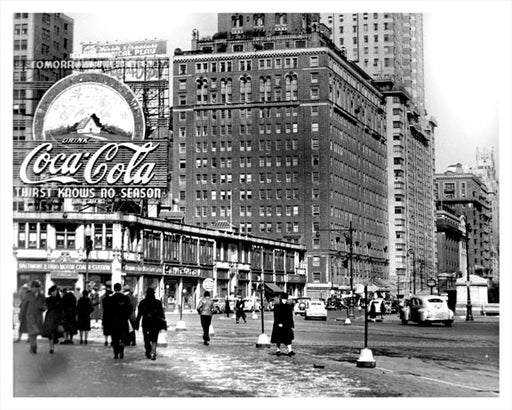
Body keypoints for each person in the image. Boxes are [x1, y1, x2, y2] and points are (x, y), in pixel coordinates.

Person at [135, 287, 166, 360]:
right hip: (155, 323)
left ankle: (149, 350)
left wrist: (137, 324)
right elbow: (161, 314)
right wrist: (163, 322)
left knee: (147, 339)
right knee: (154, 339)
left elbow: (139, 314)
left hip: (146, 323)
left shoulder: (142, 303)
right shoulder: (157, 303)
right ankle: (153, 352)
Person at [19, 280, 46, 354]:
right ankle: (34, 345)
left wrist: (43, 308)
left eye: (34, 287)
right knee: (32, 332)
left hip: (38, 317)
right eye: (32, 287)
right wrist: (21, 315)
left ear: (37, 288)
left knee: (35, 332)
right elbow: (24, 306)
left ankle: (32, 346)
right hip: (30, 316)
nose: (32, 289)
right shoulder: (28, 295)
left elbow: (45, 305)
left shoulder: (42, 296)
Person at [108, 283, 133, 359]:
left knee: (115, 338)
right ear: (120, 288)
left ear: (114, 289)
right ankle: (121, 351)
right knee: (122, 337)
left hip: (114, 322)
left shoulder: (111, 299)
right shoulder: (125, 298)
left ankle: (116, 353)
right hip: (123, 321)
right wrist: (126, 316)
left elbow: (108, 311)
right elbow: (130, 308)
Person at [270, 292, 295, 357]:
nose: (284, 301)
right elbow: (276, 315)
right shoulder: (277, 305)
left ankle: (290, 351)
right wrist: (279, 323)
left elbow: (290, 316)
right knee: (278, 338)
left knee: (288, 338)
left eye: (285, 300)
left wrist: (291, 324)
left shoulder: (288, 306)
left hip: (287, 324)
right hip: (279, 324)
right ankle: (278, 350)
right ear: (281, 299)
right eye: (283, 299)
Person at [42, 285, 63, 354]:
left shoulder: (59, 299)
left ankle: (54, 343)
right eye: (53, 291)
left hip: (57, 317)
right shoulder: (48, 299)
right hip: (50, 317)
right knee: (50, 333)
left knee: (55, 332)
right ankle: (51, 347)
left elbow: (62, 309)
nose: (55, 292)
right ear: (50, 292)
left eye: (55, 291)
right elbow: (45, 307)